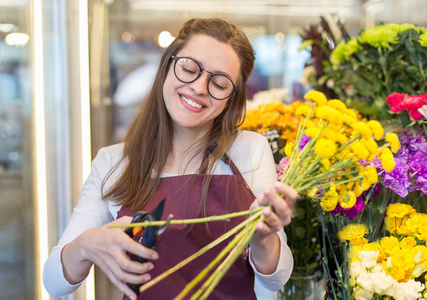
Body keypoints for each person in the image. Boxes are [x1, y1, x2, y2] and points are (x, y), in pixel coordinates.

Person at [43, 18, 297, 300]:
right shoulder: (114, 162)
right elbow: (54, 283)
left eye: (220, 83)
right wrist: (86, 245)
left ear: (231, 99)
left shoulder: (249, 150)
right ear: (167, 66)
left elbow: (278, 278)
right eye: (189, 68)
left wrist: (262, 237)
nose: (199, 87)